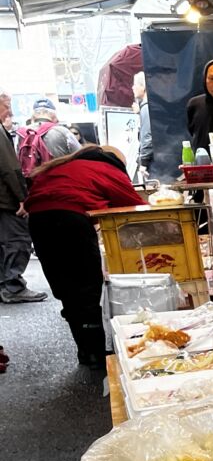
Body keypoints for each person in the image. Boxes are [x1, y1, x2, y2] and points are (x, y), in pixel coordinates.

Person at [25, 139, 145, 366]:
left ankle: (86, 351)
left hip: (39, 222)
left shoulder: (62, 167)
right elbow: (136, 207)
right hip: (71, 221)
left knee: (65, 287)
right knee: (87, 285)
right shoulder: (108, 169)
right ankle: (97, 354)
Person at [0, 92, 43, 303]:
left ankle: (5, 285)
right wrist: (22, 197)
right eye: (7, 106)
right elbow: (9, 168)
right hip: (5, 198)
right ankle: (13, 286)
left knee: (3, 243)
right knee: (18, 240)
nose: (10, 111)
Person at [133, 71, 154, 179]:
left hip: (151, 163)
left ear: (143, 87)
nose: (133, 88)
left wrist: (143, 163)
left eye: (135, 84)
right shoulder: (149, 106)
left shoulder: (146, 107)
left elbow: (147, 136)